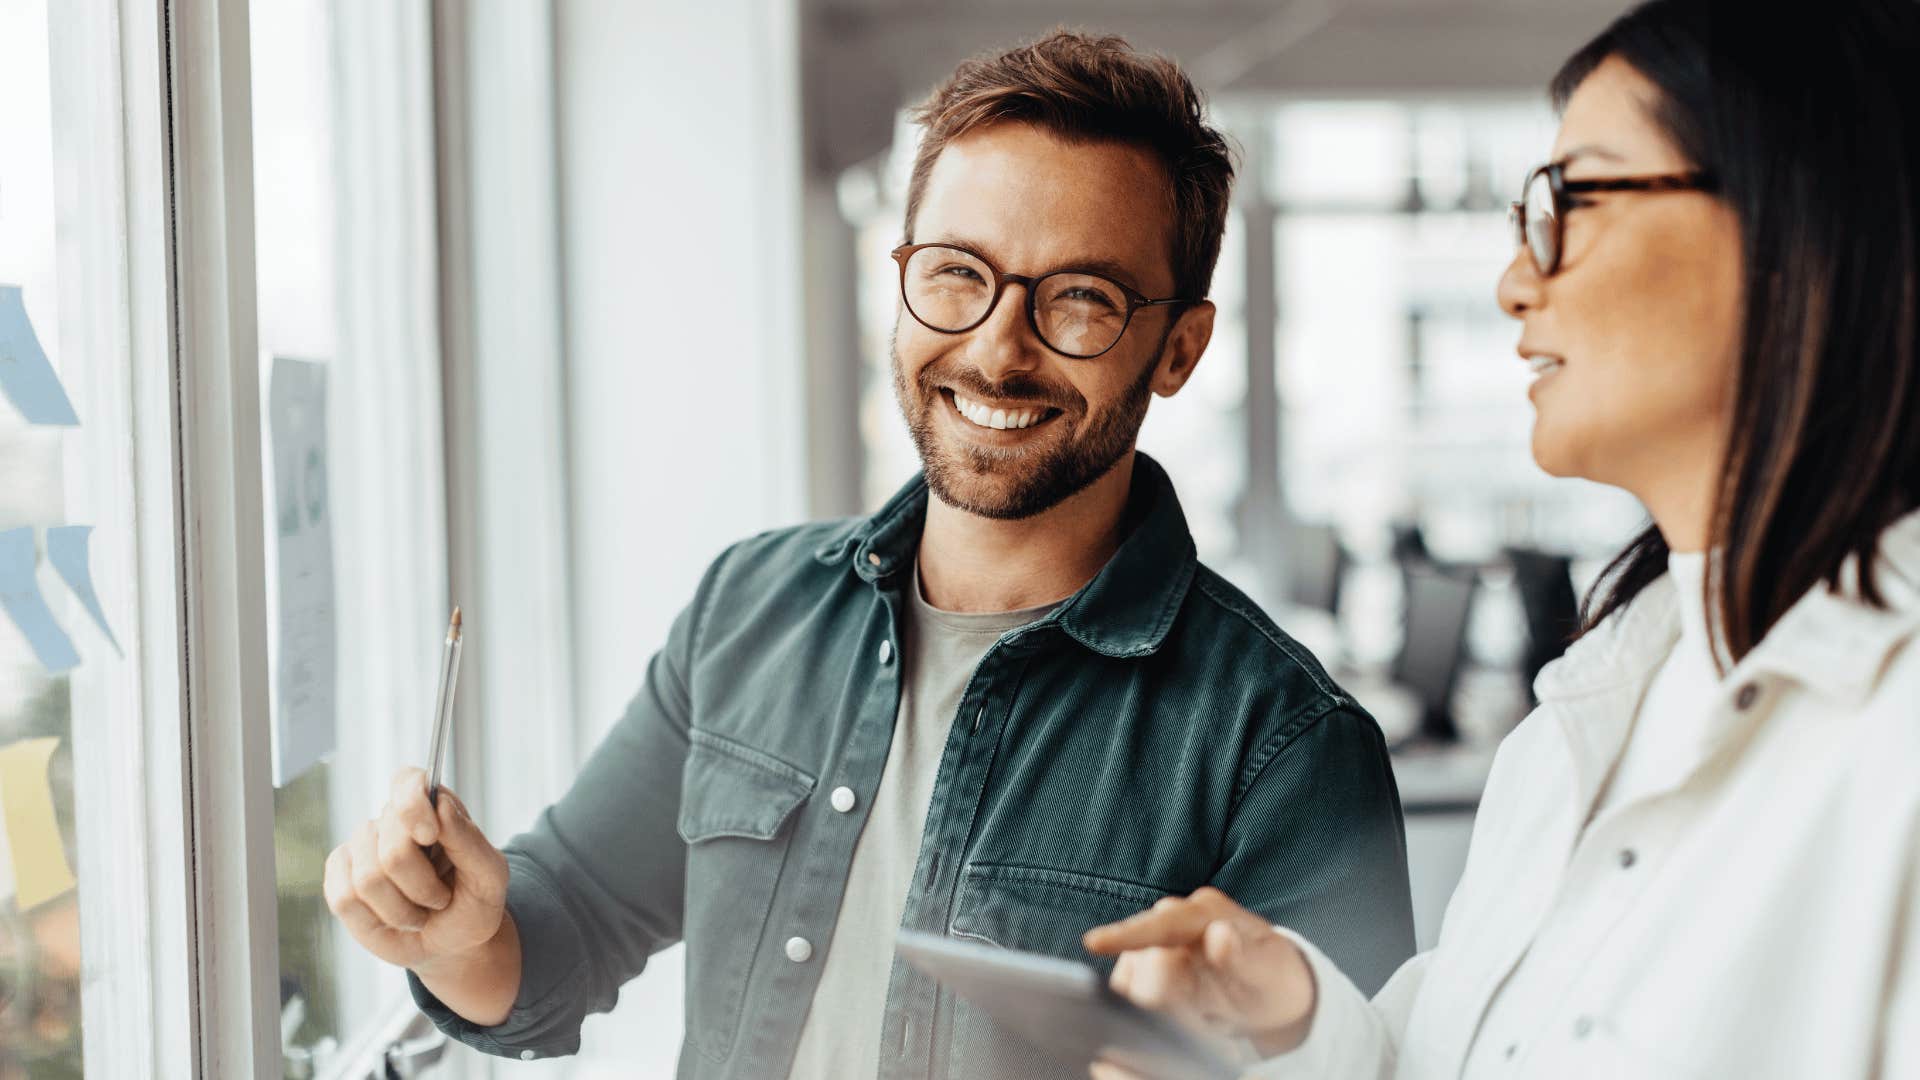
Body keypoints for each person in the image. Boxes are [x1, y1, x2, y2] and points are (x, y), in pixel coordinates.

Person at [322, 30, 1416, 1080]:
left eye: (1079, 298)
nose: (995, 347)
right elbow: (564, 934)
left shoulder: (1287, 748)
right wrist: (456, 932)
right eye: (955, 272)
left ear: (1179, 346)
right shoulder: (748, 608)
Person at [1085, 1, 1920, 1077]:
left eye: (1574, 203)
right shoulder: (1587, 712)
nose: (1515, 283)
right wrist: (1294, 1020)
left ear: (1800, 221)